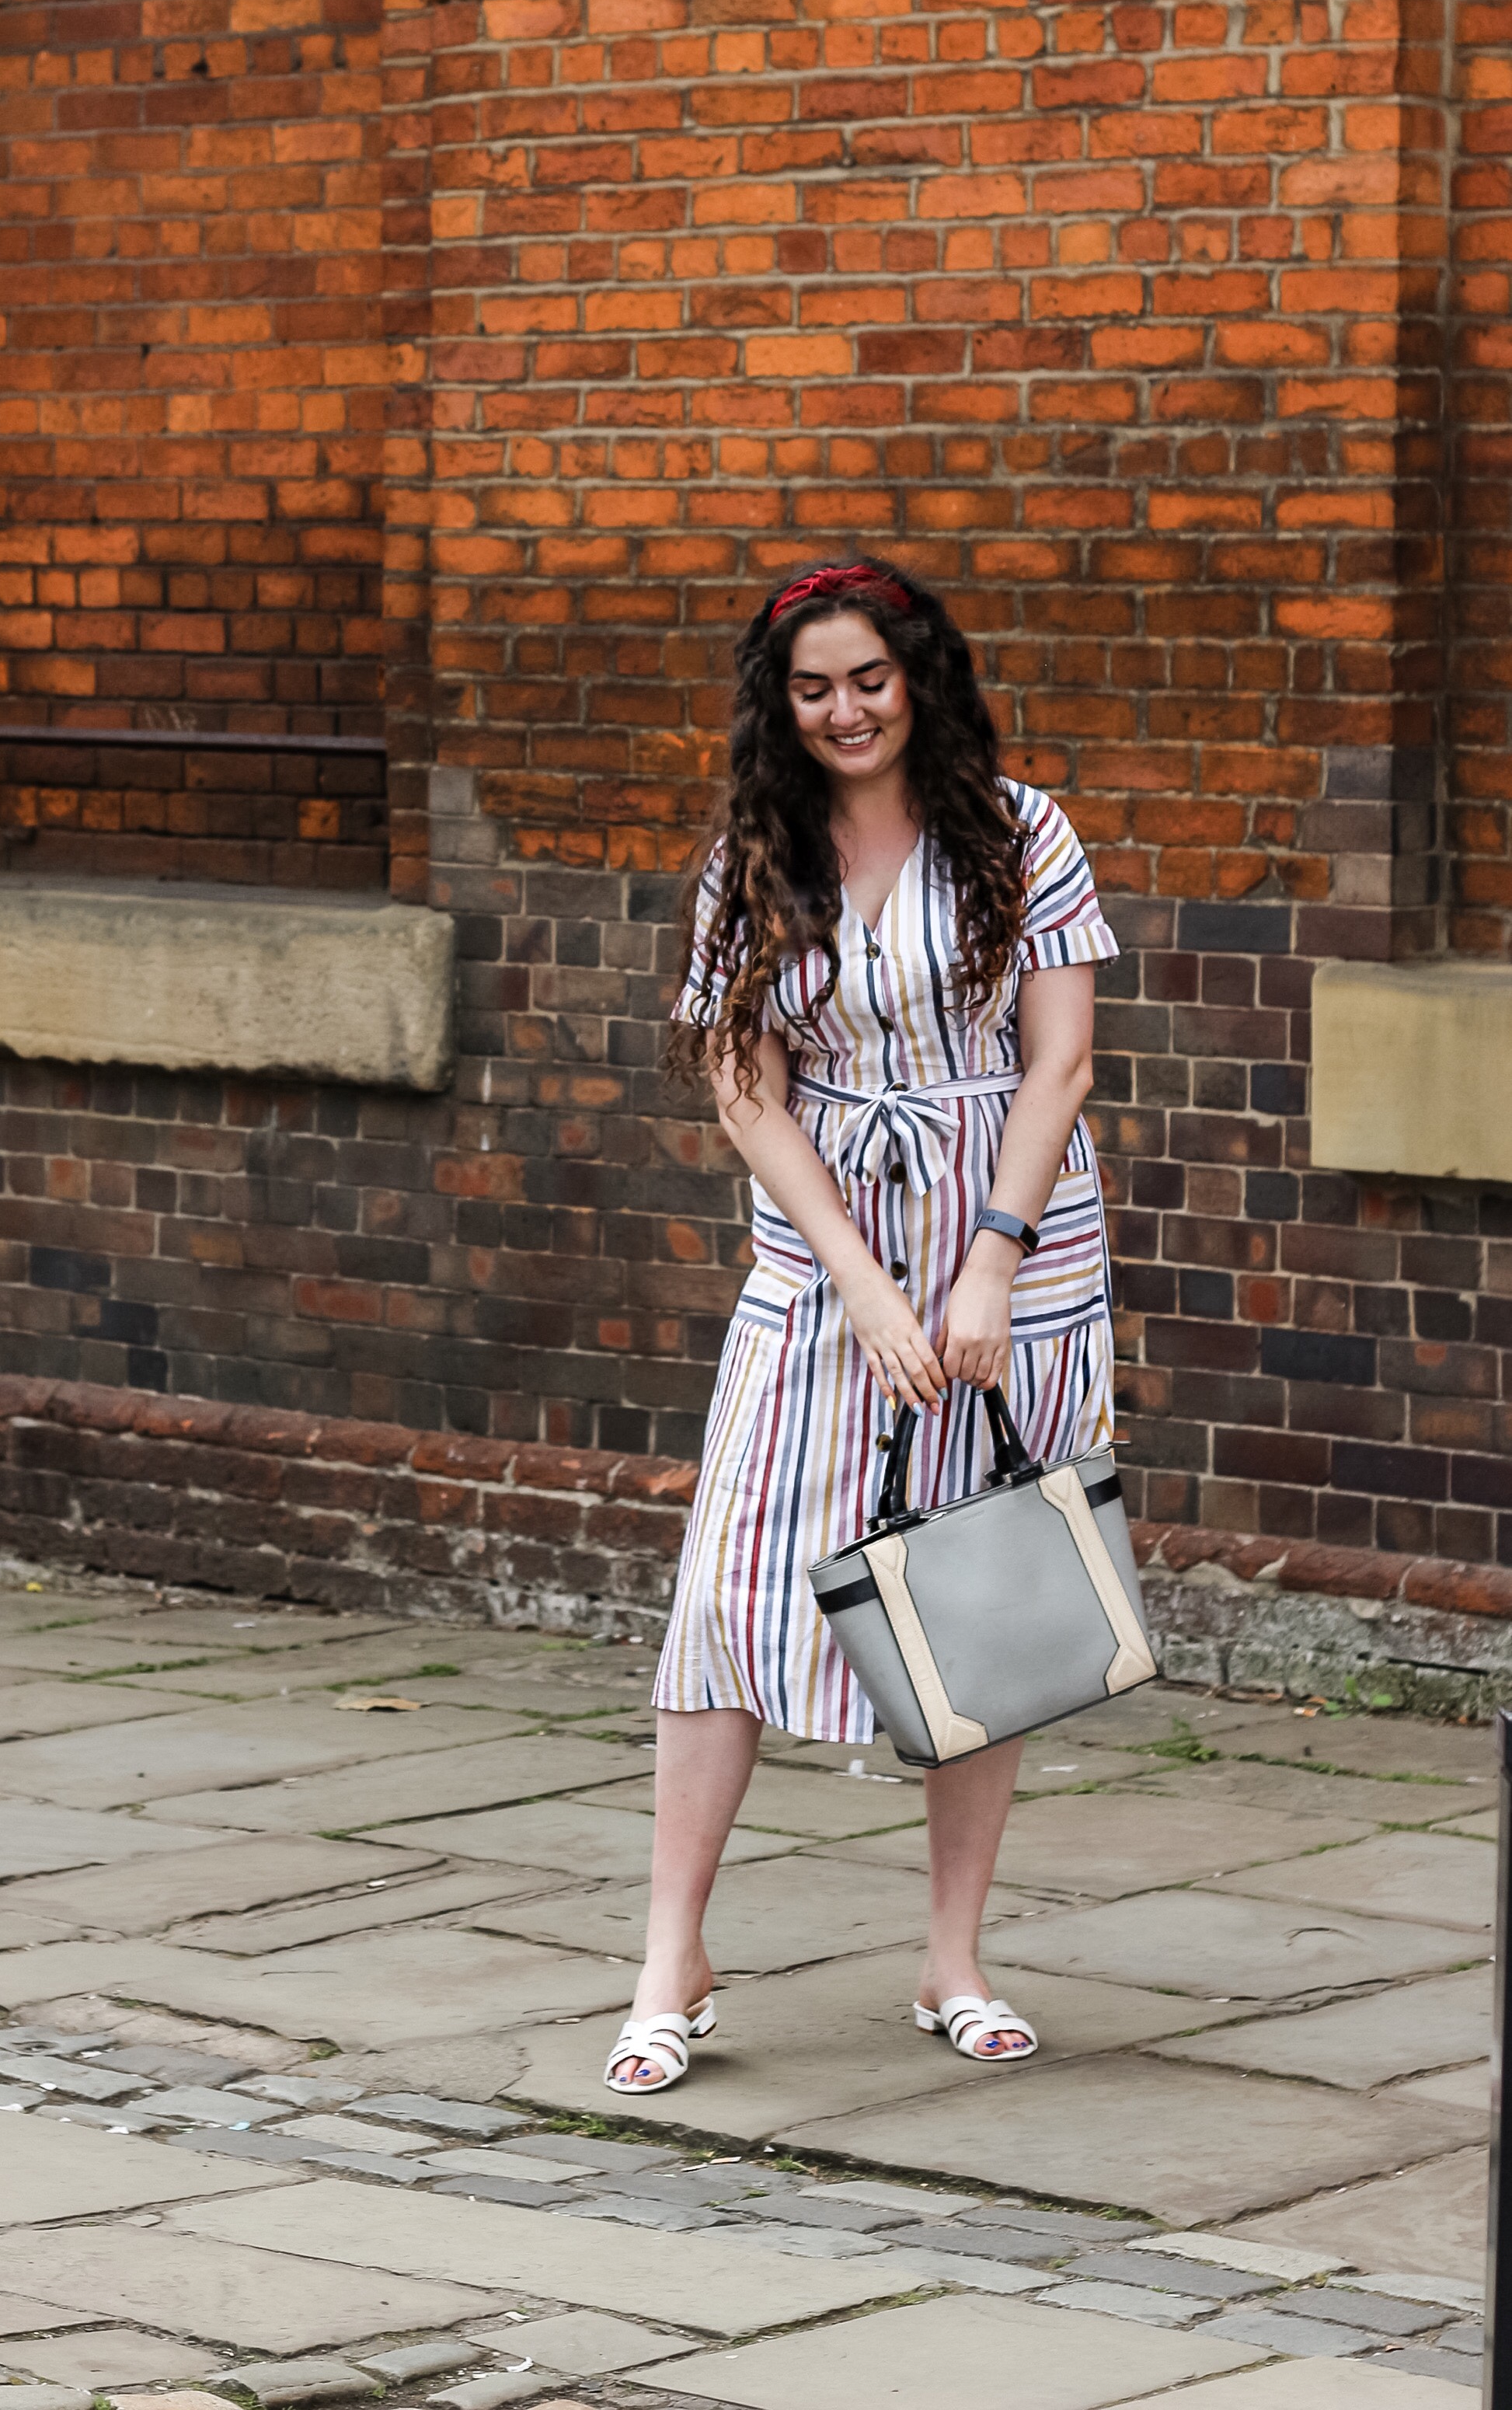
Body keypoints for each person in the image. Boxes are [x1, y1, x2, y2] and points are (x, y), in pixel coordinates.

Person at [605, 555, 1118, 2095]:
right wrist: (863, 1279)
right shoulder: (757, 851)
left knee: (984, 1606)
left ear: (921, 678)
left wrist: (987, 1266)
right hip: (826, 1262)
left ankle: (954, 1955)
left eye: (870, 679)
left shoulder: (1025, 833)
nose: (845, 709)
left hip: (1007, 1255)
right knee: (729, 1592)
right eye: (815, 685)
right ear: (785, 701)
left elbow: (1061, 1063)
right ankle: (670, 1953)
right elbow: (743, 1082)